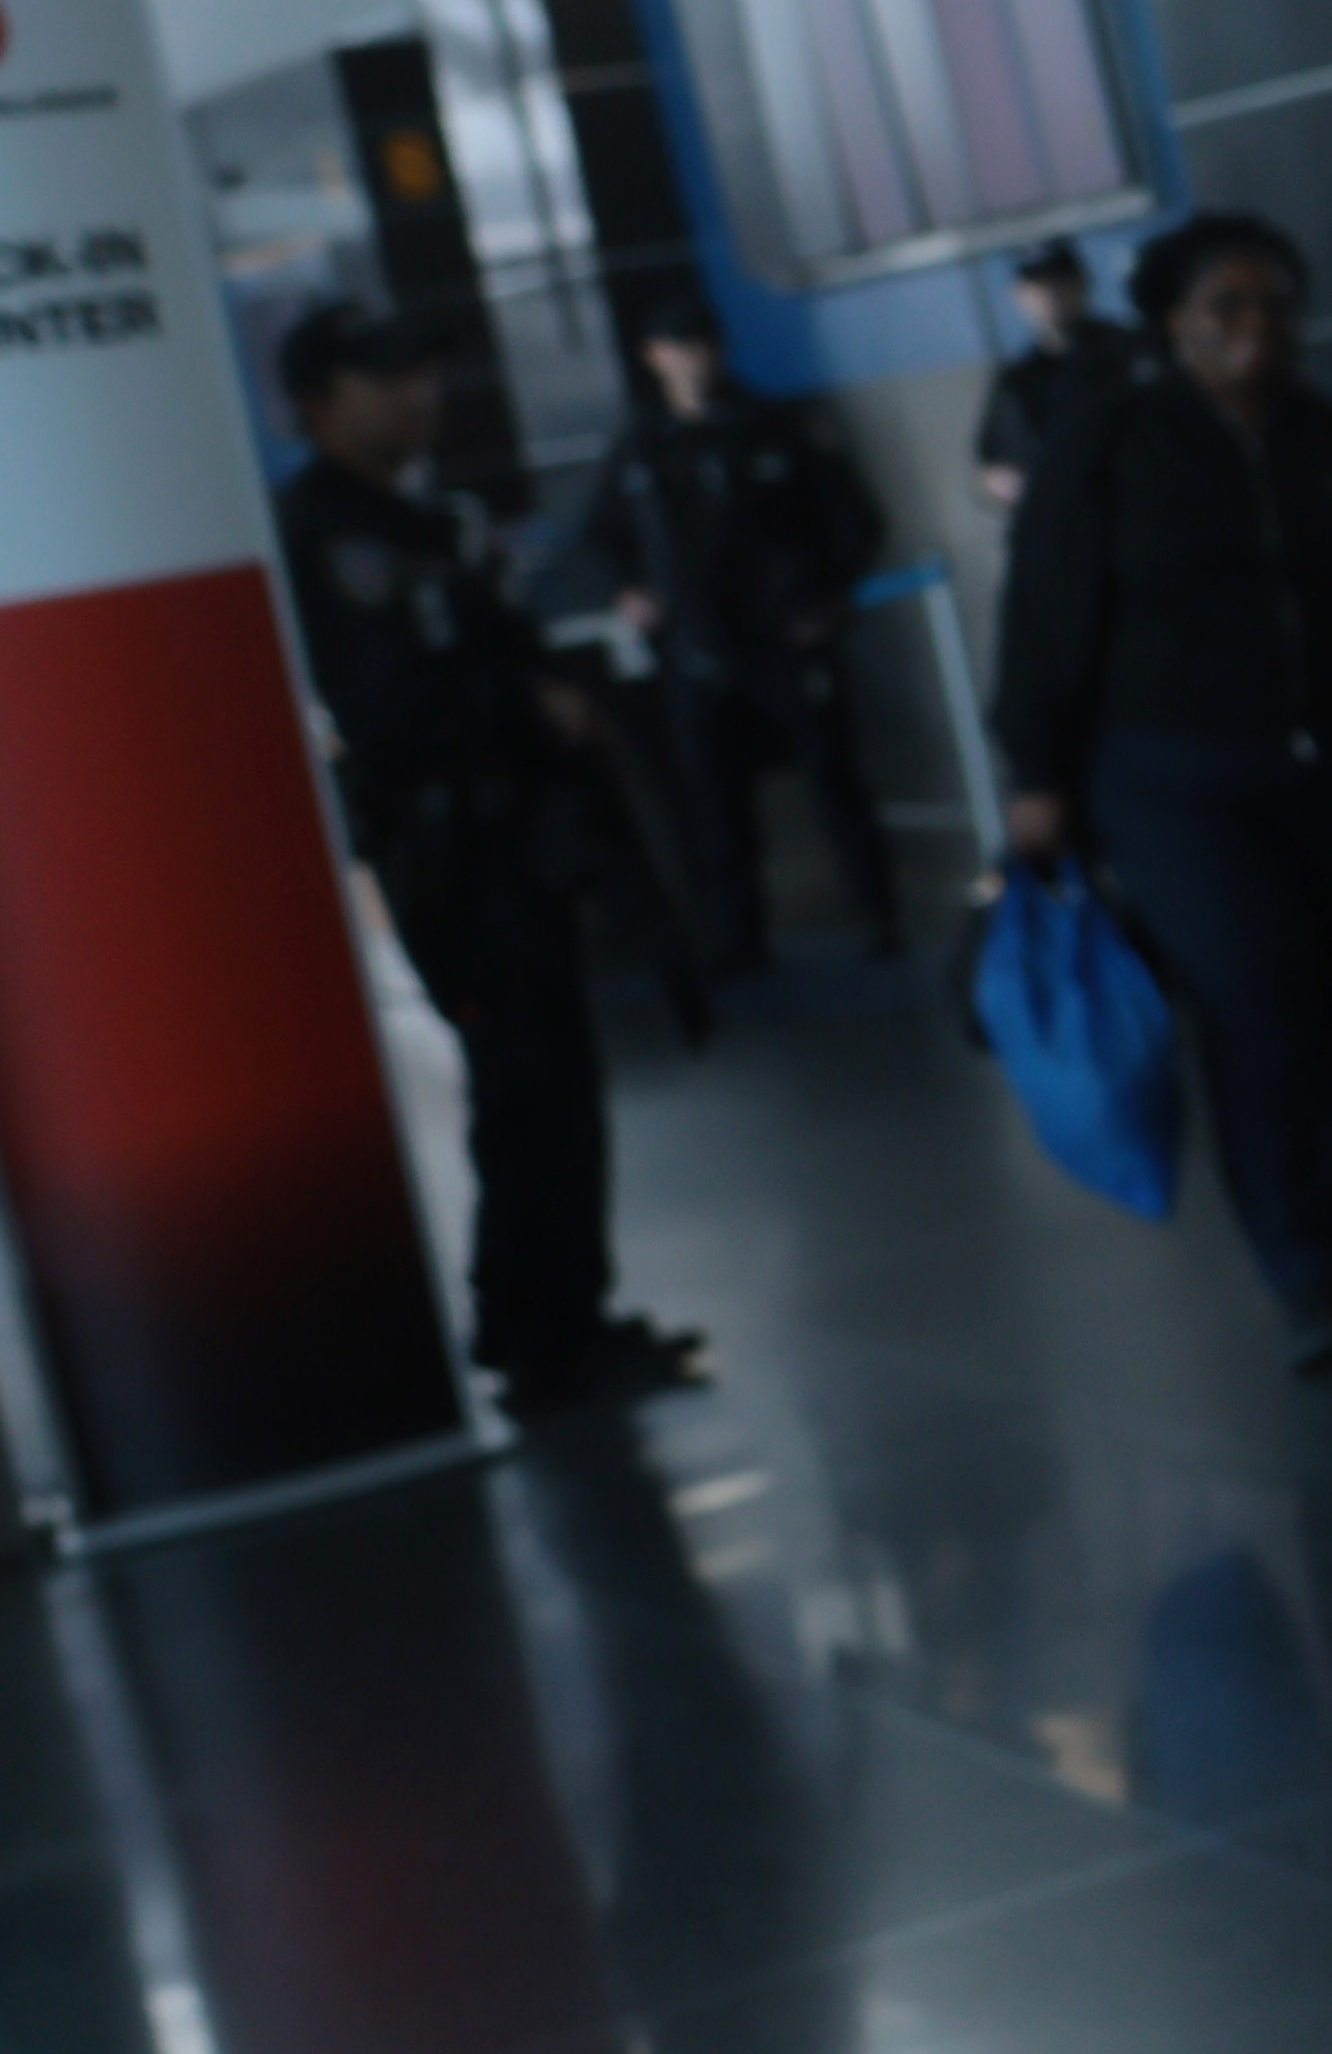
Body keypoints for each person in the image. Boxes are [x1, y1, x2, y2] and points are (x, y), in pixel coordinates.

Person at [995, 213, 1332, 1370]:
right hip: (1174, 783)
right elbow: (1043, 619)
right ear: (1174, 324)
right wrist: (1035, 774)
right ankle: (1305, 1270)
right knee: (1258, 1005)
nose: (1255, 330)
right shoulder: (1110, 446)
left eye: (1274, 308)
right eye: (1226, 309)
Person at [265, 306, 708, 1421]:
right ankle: (537, 1331)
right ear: (319, 402)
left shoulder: (432, 522)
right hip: (448, 846)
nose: (418, 396)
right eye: (385, 378)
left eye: (422, 373)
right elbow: (387, 702)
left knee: (554, 1078)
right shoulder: (322, 532)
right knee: (524, 1083)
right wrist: (516, 699)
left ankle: (560, 1311)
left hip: (515, 832)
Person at [581, 304, 909, 972]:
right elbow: (601, 535)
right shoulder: (642, 445)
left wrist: (829, 597)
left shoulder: (779, 430)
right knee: (713, 801)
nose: (692, 357)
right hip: (698, 649)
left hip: (786, 640)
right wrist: (629, 591)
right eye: (677, 344)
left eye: (700, 341)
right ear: (655, 357)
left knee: (835, 781)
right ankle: (739, 939)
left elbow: (855, 517)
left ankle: (879, 914)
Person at [972, 239, 1136, 524]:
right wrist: (999, 485)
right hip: (1066, 528)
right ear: (1019, 294)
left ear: (1082, 282)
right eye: (1037, 283)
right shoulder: (1018, 380)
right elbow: (993, 468)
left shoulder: (1131, 352)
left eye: (1059, 280)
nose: (1050, 293)